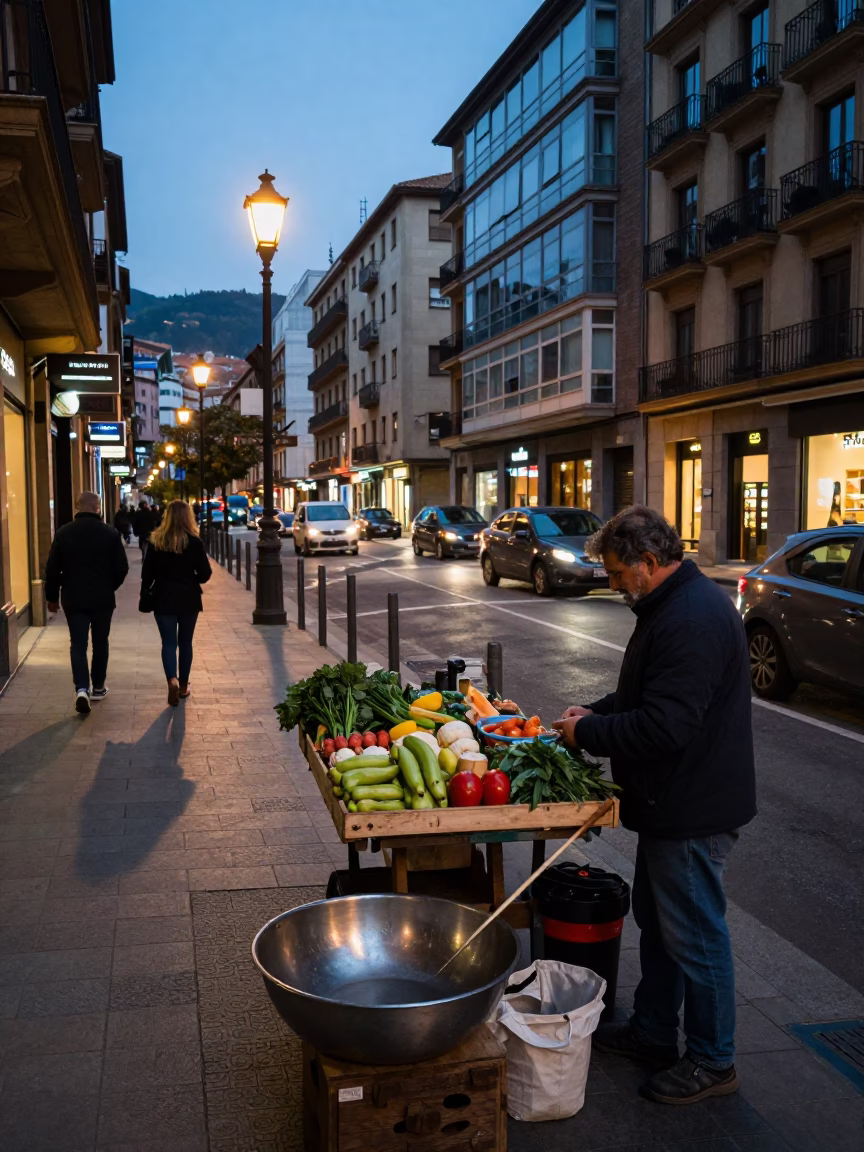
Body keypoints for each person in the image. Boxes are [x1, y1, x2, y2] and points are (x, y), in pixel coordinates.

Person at [552, 505, 756, 1107]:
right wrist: (598, 711)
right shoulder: (669, 605)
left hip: (692, 808)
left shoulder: (690, 618)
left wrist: (585, 737)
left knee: (695, 935)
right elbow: (647, 693)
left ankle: (715, 1061)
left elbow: (667, 726)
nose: (613, 585)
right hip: (670, 802)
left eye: (617, 573)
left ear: (648, 561)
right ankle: (652, 1032)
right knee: (663, 928)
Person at [45, 491, 129, 714]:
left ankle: (82, 688)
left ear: (76, 506)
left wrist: (52, 597)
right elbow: (122, 567)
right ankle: (98, 686)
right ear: (98, 508)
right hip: (102, 598)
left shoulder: (64, 533)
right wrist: (109, 586)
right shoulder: (110, 533)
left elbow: (52, 568)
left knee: (78, 644)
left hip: (74, 597)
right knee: (101, 642)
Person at [141, 499, 212, 706]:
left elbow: (147, 574)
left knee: (169, 643)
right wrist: (192, 578)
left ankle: (171, 678)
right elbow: (205, 573)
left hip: (163, 596)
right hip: (188, 597)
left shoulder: (156, 541)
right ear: (187, 516)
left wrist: (149, 588)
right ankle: (182, 686)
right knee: (186, 642)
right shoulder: (194, 541)